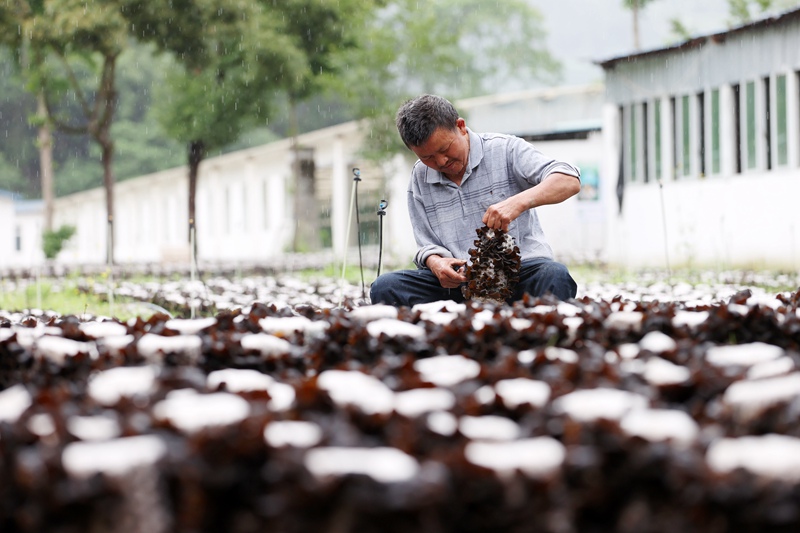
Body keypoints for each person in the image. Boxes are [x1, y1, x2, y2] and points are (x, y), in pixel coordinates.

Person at [370, 94, 581, 307]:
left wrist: (517, 203)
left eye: (444, 149)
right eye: (428, 158)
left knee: (555, 275)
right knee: (385, 286)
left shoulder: (506, 149)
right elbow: (426, 244)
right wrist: (436, 263)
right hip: (459, 284)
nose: (441, 161)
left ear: (460, 126)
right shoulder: (419, 177)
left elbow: (568, 180)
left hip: (520, 274)